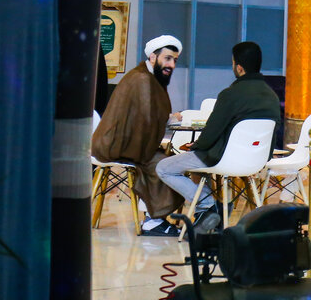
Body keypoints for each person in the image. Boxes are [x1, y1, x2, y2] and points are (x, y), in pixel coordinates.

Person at [156, 41, 280, 232]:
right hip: (256, 160)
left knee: (164, 168)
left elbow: (212, 132)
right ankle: (211, 210)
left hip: (222, 158)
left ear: (239, 67)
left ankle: (207, 206)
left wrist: (195, 146)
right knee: (196, 168)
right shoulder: (271, 96)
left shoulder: (231, 94)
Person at [91, 34, 185, 237]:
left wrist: (166, 119)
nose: (172, 65)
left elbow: (147, 117)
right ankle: (153, 221)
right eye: (167, 58)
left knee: (166, 160)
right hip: (116, 144)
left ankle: (156, 217)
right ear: (153, 57)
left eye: (174, 60)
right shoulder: (143, 79)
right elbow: (145, 121)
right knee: (163, 164)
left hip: (124, 141)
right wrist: (168, 120)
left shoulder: (147, 76)